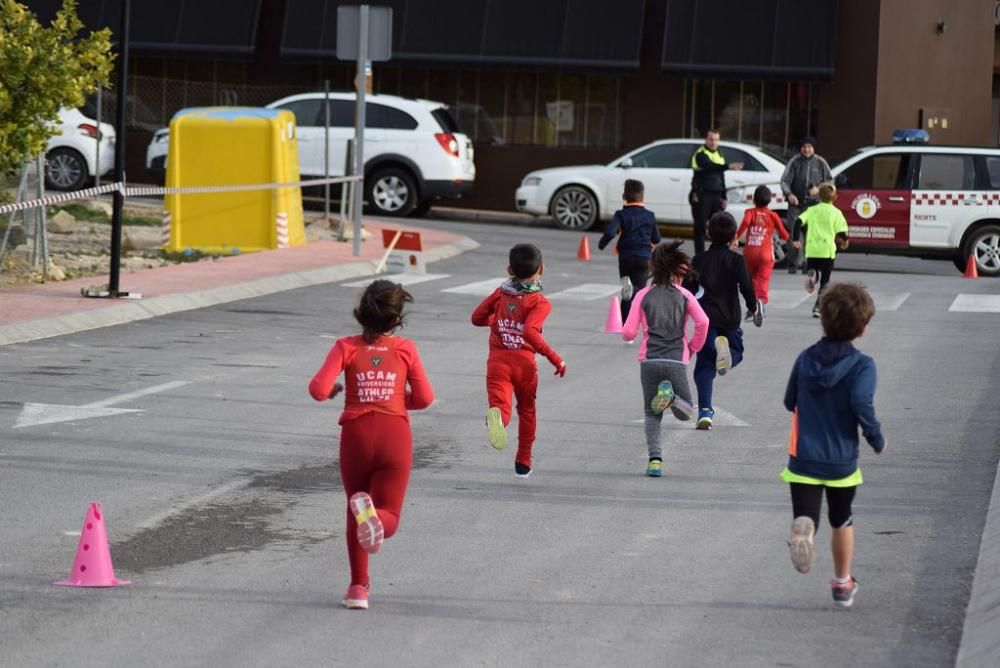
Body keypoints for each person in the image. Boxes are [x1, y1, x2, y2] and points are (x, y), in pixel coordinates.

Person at [308, 280, 434, 610]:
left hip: (356, 436)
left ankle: (357, 589)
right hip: (394, 435)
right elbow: (424, 398)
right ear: (396, 319)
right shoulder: (406, 349)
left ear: (362, 313)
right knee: (387, 514)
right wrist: (396, 397)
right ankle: (376, 519)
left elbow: (318, 390)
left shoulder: (345, 347)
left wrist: (337, 389)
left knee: (355, 508)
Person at [782, 283, 885, 609]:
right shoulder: (862, 365)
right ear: (863, 328)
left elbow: (789, 401)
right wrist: (875, 436)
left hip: (803, 457)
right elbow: (861, 402)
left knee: (807, 515)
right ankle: (842, 584)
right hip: (841, 459)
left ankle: (804, 531)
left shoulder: (805, 358)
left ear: (823, 320)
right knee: (842, 519)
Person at [471, 244, 566, 478]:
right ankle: (523, 462)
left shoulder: (500, 293)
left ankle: (499, 421)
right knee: (527, 410)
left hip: (497, 363)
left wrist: (496, 321)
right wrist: (556, 359)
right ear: (542, 269)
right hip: (525, 365)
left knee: (500, 404)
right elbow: (530, 333)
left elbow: (476, 318)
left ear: (509, 269)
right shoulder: (539, 302)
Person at [622, 240, 708, 476]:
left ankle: (655, 461)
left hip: (649, 360)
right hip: (676, 360)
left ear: (652, 267)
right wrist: (692, 347)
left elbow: (628, 332)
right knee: (688, 411)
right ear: (676, 268)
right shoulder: (685, 295)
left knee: (652, 413)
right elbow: (703, 322)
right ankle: (671, 399)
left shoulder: (643, 294)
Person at [683, 212, 758, 430]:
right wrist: (753, 307)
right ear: (734, 236)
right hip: (730, 317)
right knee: (737, 350)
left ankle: (705, 411)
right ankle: (728, 358)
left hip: (705, 319)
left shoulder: (698, 260)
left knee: (704, 366)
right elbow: (746, 286)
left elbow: (688, 290)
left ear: (708, 233)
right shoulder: (736, 259)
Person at [598, 178, 662, 323]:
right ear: (643, 197)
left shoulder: (620, 214)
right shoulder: (649, 215)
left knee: (628, 291)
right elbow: (657, 238)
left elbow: (610, 233)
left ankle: (623, 321)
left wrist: (601, 245)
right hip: (644, 258)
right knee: (639, 290)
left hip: (625, 257)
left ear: (624, 197)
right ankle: (635, 319)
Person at [792, 182, 849, 318]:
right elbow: (841, 232)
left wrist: (795, 239)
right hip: (827, 251)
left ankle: (813, 275)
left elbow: (798, 221)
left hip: (812, 249)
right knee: (825, 281)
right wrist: (845, 241)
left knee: (815, 270)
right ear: (835, 197)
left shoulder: (812, 210)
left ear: (818, 195)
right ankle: (817, 307)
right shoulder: (836, 212)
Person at [736, 185, 789, 320]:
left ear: (754, 199)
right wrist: (791, 240)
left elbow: (745, 223)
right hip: (766, 254)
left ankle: (751, 310)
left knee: (751, 280)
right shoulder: (773, 215)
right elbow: (784, 234)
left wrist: (735, 238)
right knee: (763, 280)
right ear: (769, 200)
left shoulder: (750, 212)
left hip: (750, 253)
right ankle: (762, 305)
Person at [781, 137, 832, 273]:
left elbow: (830, 182)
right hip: (796, 205)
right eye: (804, 147)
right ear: (801, 148)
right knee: (794, 235)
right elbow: (784, 181)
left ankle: (808, 265)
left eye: (809, 147)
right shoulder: (794, 162)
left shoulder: (821, 162)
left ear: (813, 148)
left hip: (814, 206)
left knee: (812, 236)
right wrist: (789, 194)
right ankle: (792, 265)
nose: (807, 149)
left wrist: (819, 189)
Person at [689, 129, 744, 256]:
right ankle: (700, 256)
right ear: (706, 140)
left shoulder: (719, 154)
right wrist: (728, 166)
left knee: (719, 227)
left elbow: (721, 176)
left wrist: (724, 196)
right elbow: (710, 166)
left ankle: (717, 255)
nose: (713, 142)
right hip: (702, 195)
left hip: (716, 195)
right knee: (700, 228)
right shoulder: (700, 154)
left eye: (716, 139)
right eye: (711, 139)